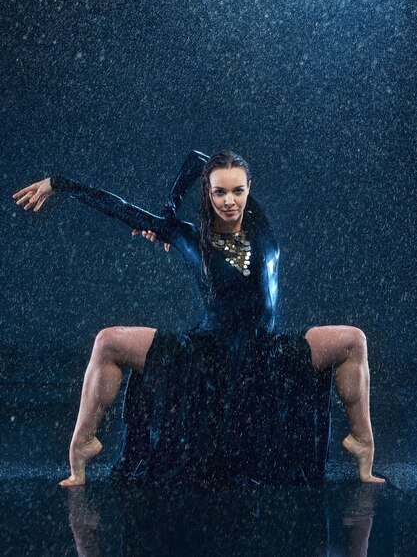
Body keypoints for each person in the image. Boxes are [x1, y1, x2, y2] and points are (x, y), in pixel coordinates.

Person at [12, 150, 385, 486]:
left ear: (248, 188)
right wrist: (60, 184)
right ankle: (84, 444)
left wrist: (174, 200)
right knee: (108, 341)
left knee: (353, 340)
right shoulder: (190, 238)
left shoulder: (259, 224)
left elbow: (196, 158)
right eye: (219, 192)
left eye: (237, 191)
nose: (230, 201)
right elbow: (122, 208)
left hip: (265, 353)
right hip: (207, 355)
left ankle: (361, 443)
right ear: (207, 192)